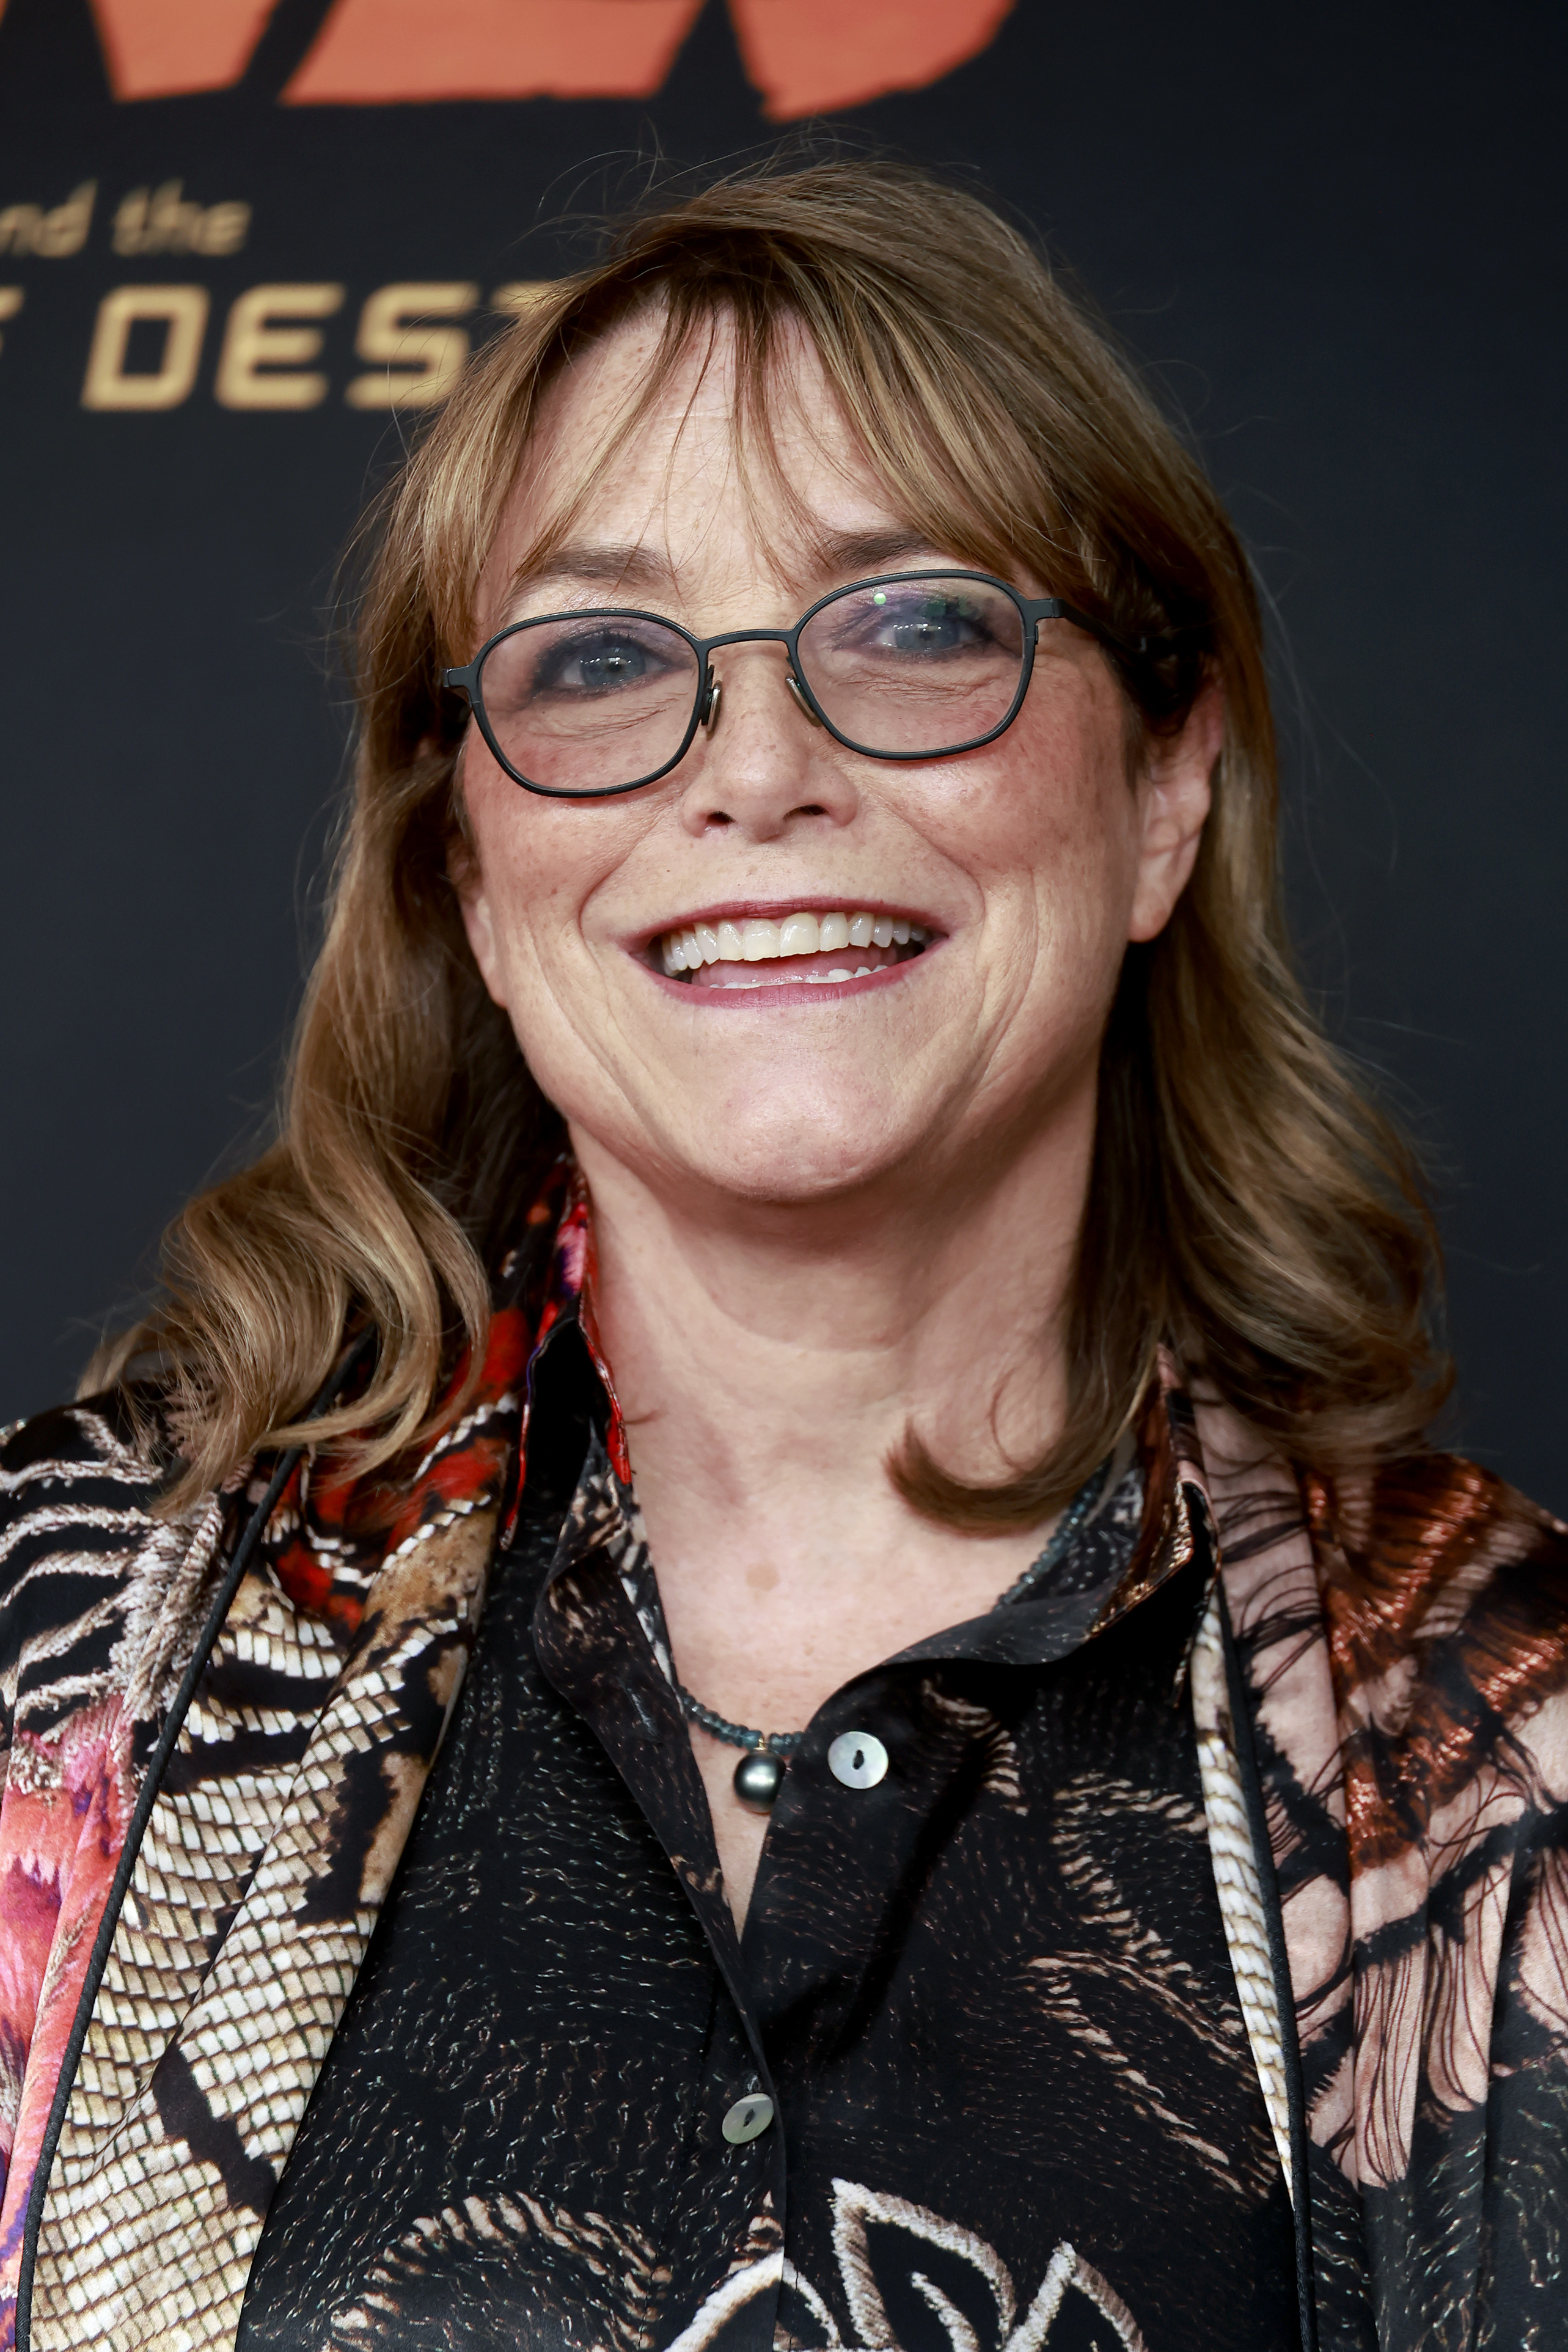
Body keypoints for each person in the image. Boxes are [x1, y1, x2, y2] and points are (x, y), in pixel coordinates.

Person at [0, 160, 1563, 2352]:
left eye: (920, 621)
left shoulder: (1523, 1752)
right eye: (606, 656)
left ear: (1163, 791)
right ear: (468, 857)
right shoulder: (51, 1629)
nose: (756, 769)